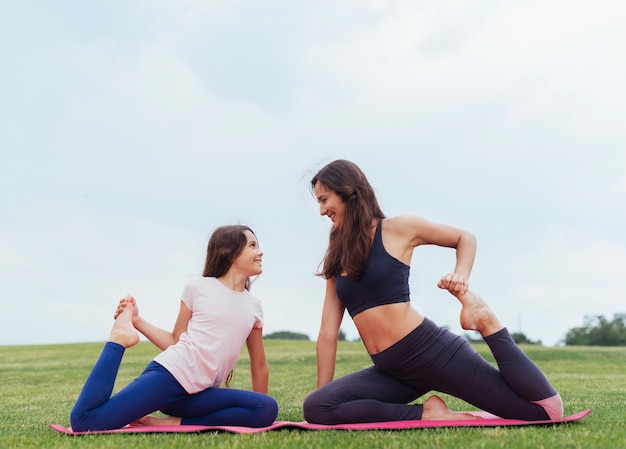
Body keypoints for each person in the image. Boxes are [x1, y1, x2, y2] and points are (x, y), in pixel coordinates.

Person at [302, 159, 563, 424]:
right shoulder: (338, 251)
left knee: (545, 412)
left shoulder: (397, 228)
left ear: (347, 191)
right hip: (392, 370)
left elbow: (464, 238)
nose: (322, 211)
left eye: (325, 200)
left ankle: (488, 323)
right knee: (316, 408)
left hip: (432, 354)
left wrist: (460, 276)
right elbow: (327, 332)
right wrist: (323, 391)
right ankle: (426, 413)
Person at [70, 225, 279, 431]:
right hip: (169, 377)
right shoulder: (198, 288)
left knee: (267, 408)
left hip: (199, 395)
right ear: (228, 252)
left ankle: (171, 423)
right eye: (252, 245)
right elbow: (176, 341)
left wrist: (260, 415)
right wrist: (137, 321)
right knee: (86, 421)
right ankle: (118, 339)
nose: (260, 252)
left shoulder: (253, 306)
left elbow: (259, 365)